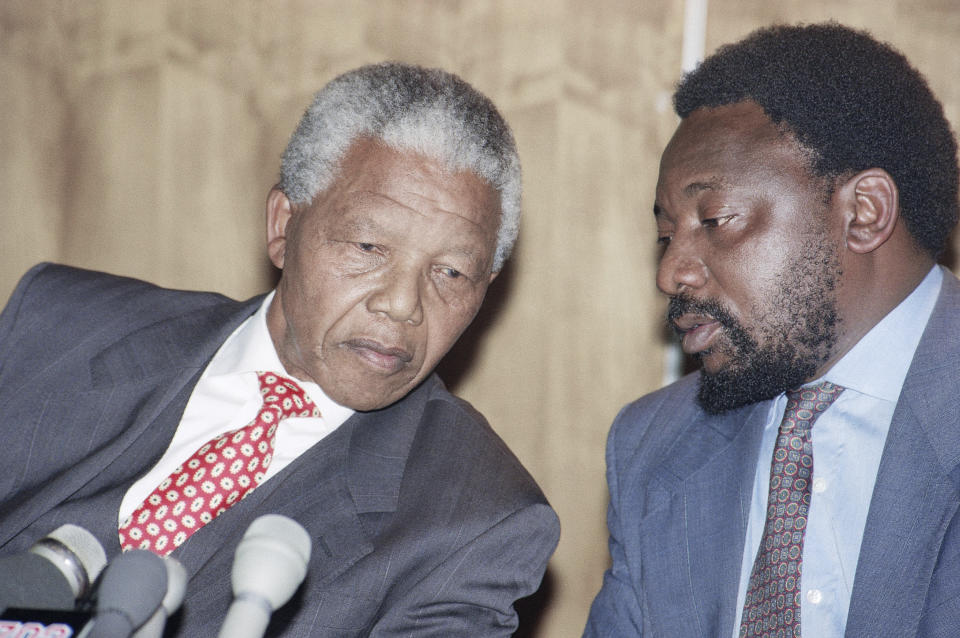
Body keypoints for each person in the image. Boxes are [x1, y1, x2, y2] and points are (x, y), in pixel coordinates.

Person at [0, 62, 559, 636]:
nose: (402, 304)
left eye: (451, 272)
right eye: (369, 245)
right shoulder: (56, 324)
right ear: (283, 225)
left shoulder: (476, 523)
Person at [584, 22, 960, 638]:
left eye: (715, 219)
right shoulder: (654, 444)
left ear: (864, 213)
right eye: (665, 234)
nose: (671, 272)